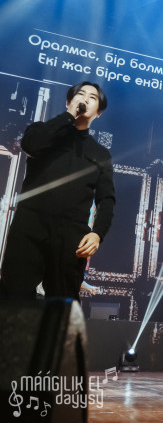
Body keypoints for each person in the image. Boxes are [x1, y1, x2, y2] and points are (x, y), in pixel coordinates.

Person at [0, 81, 115, 301]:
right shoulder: (41, 132)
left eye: (92, 97)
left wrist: (97, 233)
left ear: (99, 112)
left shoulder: (100, 154)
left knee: (62, 305)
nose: (85, 99)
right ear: (69, 101)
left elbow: (107, 199)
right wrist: (69, 115)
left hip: (71, 234)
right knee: (14, 296)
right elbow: (31, 145)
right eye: (80, 94)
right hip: (29, 225)